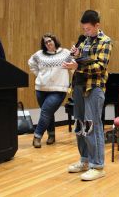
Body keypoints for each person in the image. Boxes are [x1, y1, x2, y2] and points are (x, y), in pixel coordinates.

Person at [62, 10, 112, 181]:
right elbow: (82, 59)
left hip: (94, 88)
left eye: (88, 29)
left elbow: (100, 66)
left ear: (97, 25)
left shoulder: (105, 41)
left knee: (93, 126)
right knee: (80, 126)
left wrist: (78, 66)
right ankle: (84, 160)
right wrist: (76, 55)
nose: (86, 32)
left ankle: (97, 166)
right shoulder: (84, 41)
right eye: (84, 29)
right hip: (78, 86)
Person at [28, 33, 71, 148]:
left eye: (50, 41)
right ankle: (51, 134)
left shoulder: (66, 53)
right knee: (48, 112)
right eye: (45, 42)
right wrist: (38, 75)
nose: (48, 44)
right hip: (41, 89)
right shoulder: (39, 54)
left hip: (59, 89)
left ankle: (37, 136)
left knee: (46, 111)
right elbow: (31, 63)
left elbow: (74, 64)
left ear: (54, 41)